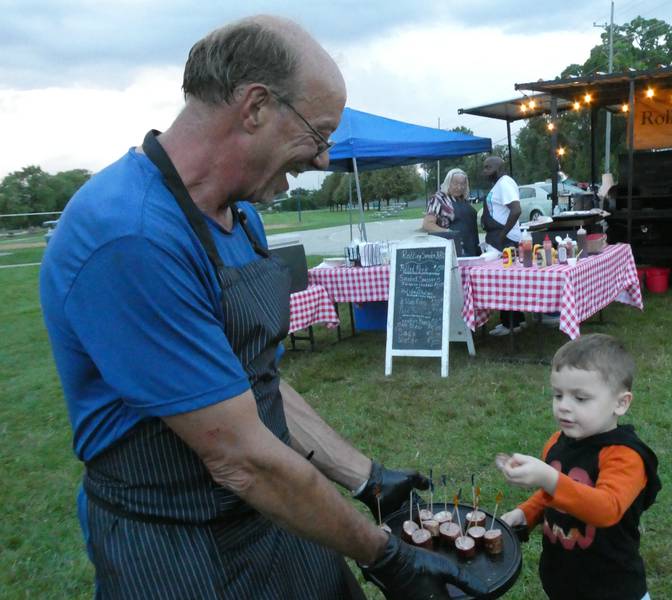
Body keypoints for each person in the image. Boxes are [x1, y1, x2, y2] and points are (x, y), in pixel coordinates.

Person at [39, 16, 486, 600]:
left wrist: (367, 478)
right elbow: (240, 458)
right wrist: (388, 559)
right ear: (254, 107)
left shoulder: (242, 217)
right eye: (318, 133)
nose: (324, 159)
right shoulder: (133, 236)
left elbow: (253, 383)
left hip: (276, 510)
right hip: (180, 546)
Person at [496, 334, 661, 600]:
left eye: (580, 399)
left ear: (621, 403)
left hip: (613, 588)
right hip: (564, 581)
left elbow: (607, 508)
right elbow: (555, 497)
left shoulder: (625, 457)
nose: (563, 407)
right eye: (558, 395)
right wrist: (524, 514)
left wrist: (548, 477)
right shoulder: (558, 442)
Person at [481, 156, 525, 335]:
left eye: (488, 167)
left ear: (498, 168)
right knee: (507, 280)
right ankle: (517, 320)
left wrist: (501, 234)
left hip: (504, 240)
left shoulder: (504, 182)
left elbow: (516, 210)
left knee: (502, 281)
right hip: (501, 239)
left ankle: (510, 324)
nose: (484, 172)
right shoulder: (499, 184)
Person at [422, 167, 480, 256]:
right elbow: (427, 224)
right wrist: (449, 233)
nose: (459, 187)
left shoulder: (464, 200)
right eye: (455, 184)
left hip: (473, 248)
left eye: (462, 184)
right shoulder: (438, 199)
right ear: (448, 183)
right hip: (453, 250)